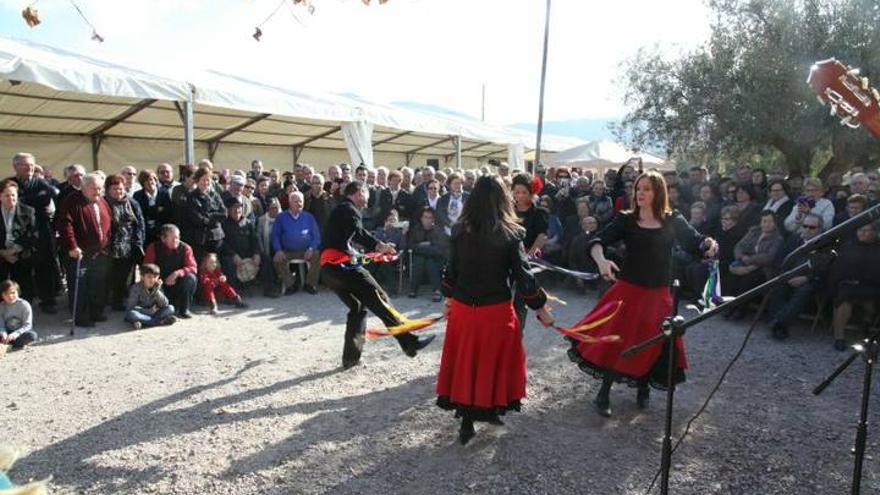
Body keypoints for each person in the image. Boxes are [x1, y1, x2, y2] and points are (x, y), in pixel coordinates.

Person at [567, 170, 717, 418]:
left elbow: (695, 241)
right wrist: (601, 261)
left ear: (658, 192)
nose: (640, 193)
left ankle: (643, 388)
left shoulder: (672, 220)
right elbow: (596, 241)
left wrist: (709, 245)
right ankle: (603, 392)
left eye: (646, 188)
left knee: (653, 342)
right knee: (617, 341)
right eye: (638, 188)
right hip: (628, 291)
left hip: (658, 294)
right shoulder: (626, 219)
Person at [436, 175, 553, 444]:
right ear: (503, 199)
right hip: (495, 312)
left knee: (467, 364)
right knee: (491, 364)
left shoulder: (460, 230)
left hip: (465, 310)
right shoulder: (512, 234)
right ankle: (489, 410)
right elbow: (524, 277)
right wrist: (541, 307)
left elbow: (450, 272)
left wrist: (448, 299)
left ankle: (467, 422)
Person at [319, 181, 435, 369]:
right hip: (341, 267)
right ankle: (409, 342)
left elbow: (340, 240)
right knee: (380, 298)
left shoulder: (340, 211)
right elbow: (359, 233)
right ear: (357, 193)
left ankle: (350, 358)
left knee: (357, 308)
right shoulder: (349, 209)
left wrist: (356, 253)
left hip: (329, 271)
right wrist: (381, 246)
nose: (368, 197)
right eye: (365, 192)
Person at [56, 172, 112, 327]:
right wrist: (72, 246)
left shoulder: (102, 201)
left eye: (100, 188)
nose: (98, 192)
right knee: (80, 286)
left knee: (97, 284)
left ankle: (96, 312)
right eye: (94, 188)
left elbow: (108, 222)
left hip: (100, 252)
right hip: (79, 253)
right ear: (83, 187)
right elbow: (65, 225)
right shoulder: (72, 201)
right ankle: (81, 316)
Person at [12, 153, 60, 314]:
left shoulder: (39, 181)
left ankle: (48, 300)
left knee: (45, 266)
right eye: (25, 165)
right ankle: (23, 302)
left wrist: (27, 201)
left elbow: (54, 192)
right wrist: (36, 200)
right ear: (16, 167)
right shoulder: (10, 184)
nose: (30, 168)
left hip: (42, 231)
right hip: (20, 231)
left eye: (32, 165)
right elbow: (14, 203)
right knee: (22, 268)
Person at [767, 213, 825, 340]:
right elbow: (781, 260)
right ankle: (776, 323)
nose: (807, 230)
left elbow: (825, 267)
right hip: (790, 275)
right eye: (805, 226)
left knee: (803, 292)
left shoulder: (825, 244)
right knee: (779, 286)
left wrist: (806, 278)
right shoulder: (794, 239)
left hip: (811, 279)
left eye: (812, 227)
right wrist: (788, 276)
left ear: (820, 229)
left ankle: (780, 324)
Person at [827, 222, 880, 351]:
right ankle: (839, 337)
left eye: (867, 230)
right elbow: (838, 268)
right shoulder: (848, 246)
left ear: (874, 233)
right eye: (860, 230)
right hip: (848, 284)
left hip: (872, 285)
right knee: (843, 301)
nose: (862, 233)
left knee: (872, 302)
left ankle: (865, 328)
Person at [511, 173, 548, 331]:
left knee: (522, 296)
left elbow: (542, 236)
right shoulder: (506, 210)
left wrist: (529, 255)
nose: (519, 195)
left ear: (531, 193)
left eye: (523, 192)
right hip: (507, 256)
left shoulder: (539, 213)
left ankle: (518, 332)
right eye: (517, 192)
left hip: (528, 257)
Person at [104, 174, 146, 311]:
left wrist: (138, 241)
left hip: (129, 245)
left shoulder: (132, 203)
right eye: (114, 189)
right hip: (111, 246)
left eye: (120, 189)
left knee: (128, 275)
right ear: (108, 189)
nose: (118, 191)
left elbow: (140, 223)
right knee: (112, 275)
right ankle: (113, 300)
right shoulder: (104, 203)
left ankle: (126, 299)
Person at [271, 191, 322, 295]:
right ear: (290, 203)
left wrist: (311, 248)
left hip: (306, 250)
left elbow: (316, 237)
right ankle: (291, 284)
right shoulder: (281, 217)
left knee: (318, 255)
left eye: (301, 202)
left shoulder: (309, 217)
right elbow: (275, 236)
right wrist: (278, 250)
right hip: (287, 251)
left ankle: (309, 284)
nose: (299, 204)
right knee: (277, 259)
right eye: (296, 201)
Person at [143, 224, 198, 319]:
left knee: (191, 278)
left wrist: (177, 273)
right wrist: (157, 280)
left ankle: (184, 309)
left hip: (178, 283)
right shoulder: (153, 248)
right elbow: (146, 269)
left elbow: (193, 268)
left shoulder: (185, 248)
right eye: (172, 238)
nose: (176, 240)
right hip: (159, 284)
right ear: (163, 239)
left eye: (177, 237)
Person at [0, 180, 38, 303]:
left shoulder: (28, 211)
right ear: (0, 196)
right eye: (7, 195)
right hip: (1, 254)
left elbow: (33, 235)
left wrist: (15, 249)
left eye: (13, 195)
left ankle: (23, 313)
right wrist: (3, 253)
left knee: (23, 287)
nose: (11, 198)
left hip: (21, 255)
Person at [406, 207, 449, 301]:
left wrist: (422, 247)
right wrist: (427, 246)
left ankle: (413, 289)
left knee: (429, 260)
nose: (427, 220)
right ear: (421, 218)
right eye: (425, 217)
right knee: (421, 259)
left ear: (433, 219)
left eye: (430, 218)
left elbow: (440, 249)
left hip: (436, 258)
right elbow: (410, 245)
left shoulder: (438, 230)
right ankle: (437, 290)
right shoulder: (416, 229)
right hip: (420, 257)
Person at [184, 168, 227, 262]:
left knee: (217, 264)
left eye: (208, 180)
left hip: (216, 237)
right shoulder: (192, 197)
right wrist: (213, 217)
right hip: (201, 239)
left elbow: (224, 214)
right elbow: (197, 218)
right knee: (202, 264)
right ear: (197, 181)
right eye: (203, 179)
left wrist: (209, 216)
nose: (206, 182)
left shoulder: (215, 195)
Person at [219, 197, 261, 290]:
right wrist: (233, 255)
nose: (237, 210)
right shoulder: (223, 224)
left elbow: (255, 239)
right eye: (234, 207)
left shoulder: (248, 223)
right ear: (228, 209)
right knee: (228, 262)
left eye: (239, 207)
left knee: (265, 258)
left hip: (248, 253)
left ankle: (269, 288)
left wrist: (256, 253)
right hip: (231, 255)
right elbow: (222, 243)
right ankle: (233, 293)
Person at [124, 263, 176, 329]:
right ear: (142, 277)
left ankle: (145, 322)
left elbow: (165, 304)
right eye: (149, 277)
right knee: (131, 314)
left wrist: (157, 291)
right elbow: (130, 307)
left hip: (155, 314)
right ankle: (159, 322)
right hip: (141, 313)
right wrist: (148, 311)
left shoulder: (158, 286)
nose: (152, 280)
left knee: (171, 308)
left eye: (155, 277)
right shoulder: (135, 288)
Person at [133, 170, 173, 245]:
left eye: (151, 179)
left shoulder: (164, 194)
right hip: (145, 232)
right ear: (142, 183)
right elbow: (139, 214)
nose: (150, 182)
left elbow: (168, 214)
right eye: (146, 181)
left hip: (162, 231)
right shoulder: (137, 195)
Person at [0, 280, 36, 350]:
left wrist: (15, 334)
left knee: (32, 335)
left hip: (20, 332)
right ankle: (8, 343)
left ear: (18, 292)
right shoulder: (1, 306)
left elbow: (28, 325)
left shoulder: (24, 305)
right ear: (2, 295)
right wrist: (3, 333)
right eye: (6, 294)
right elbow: (0, 324)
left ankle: (10, 344)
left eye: (13, 293)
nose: (10, 296)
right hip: (6, 331)